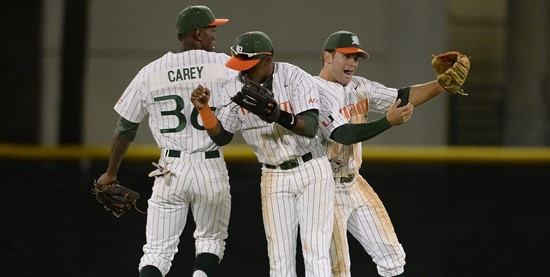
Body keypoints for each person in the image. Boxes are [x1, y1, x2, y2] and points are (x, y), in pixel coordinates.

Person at [96, 5, 237, 277]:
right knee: (210, 241)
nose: (214, 34)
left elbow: (125, 127)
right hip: (210, 165)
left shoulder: (151, 72)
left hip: (170, 168)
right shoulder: (225, 65)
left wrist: (110, 173)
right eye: (211, 29)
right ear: (197, 33)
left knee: (157, 252)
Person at [314, 30, 468, 277]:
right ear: (327, 57)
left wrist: (440, 85)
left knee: (392, 258)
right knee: (337, 270)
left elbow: (402, 97)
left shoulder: (359, 85)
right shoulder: (315, 90)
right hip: (323, 188)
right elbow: (342, 134)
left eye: (356, 58)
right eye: (346, 56)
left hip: (353, 182)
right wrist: (387, 122)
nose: (353, 63)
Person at [191, 31, 335, 276]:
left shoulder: (295, 77)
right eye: (239, 65)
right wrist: (205, 111)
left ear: (267, 61)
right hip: (273, 175)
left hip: (312, 169)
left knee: (316, 253)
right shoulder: (233, 87)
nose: (242, 71)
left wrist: (279, 116)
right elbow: (222, 137)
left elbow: (310, 128)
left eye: (249, 65)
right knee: (279, 258)